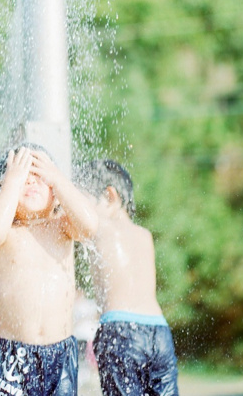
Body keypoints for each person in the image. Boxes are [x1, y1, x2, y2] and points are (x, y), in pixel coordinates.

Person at [0, 136, 98, 396]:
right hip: (12, 353)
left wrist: (57, 178)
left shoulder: (63, 226)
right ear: (3, 189)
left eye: (38, 175)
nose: (30, 181)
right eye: (23, 177)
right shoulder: (6, 231)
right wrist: (11, 181)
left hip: (60, 355)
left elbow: (90, 227)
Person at [75, 159, 178, 396]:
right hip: (159, 331)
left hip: (120, 331)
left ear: (110, 197)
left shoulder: (101, 226)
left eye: (85, 202)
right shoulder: (145, 235)